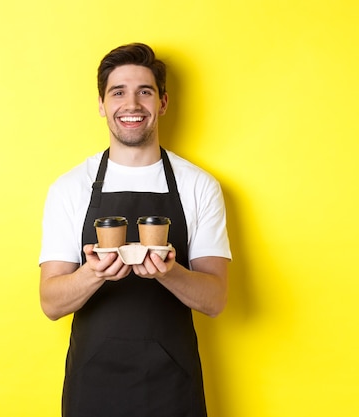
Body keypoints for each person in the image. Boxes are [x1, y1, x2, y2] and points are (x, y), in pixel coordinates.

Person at [39, 42, 231, 417]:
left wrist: (168, 272)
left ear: (162, 102)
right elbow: (50, 302)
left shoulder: (198, 185)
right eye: (118, 92)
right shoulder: (71, 187)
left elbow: (216, 299)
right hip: (92, 386)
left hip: (172, 386)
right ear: (101, 105)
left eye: (145, 91)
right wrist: (94, 273)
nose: (132, 104)